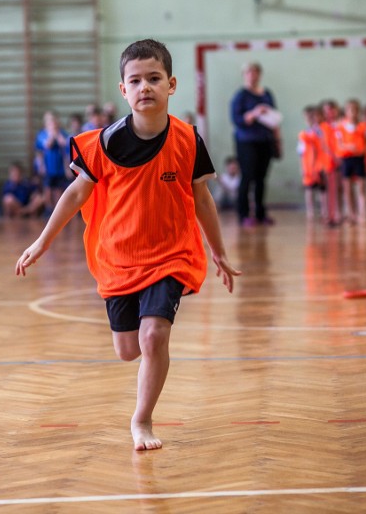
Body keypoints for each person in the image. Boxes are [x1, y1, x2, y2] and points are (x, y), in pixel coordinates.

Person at [15, 39, 240, 451]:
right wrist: (43, 240)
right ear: (123, 90)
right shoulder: (104, 143)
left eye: (154, 79)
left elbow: (203, 199)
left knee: (154, 337)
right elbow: (75, 194)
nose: (145, 88)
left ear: (171, 84)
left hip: (171, 254)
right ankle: (140, 382)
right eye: (135, 81)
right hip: (119, 257)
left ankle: (142, 420)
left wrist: (219, 250)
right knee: (127, 350)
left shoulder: (189, 140)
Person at [230, 61, 281, 227]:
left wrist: (277, 140)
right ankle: (243, 214)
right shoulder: (241, 96)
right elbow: (237, 120)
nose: (252, 75)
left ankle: (260, 213)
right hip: (246, 141)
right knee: (247, 177)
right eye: (249, 72)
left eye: (255, 72)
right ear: (244, 75)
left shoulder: (266, 94)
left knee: (261, 178)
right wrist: (254, 113)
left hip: (265, 140)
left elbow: (274, 118)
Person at [334, 99, 366, 224]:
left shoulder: (363, 126)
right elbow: (339, 144)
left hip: (359, 159)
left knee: (361, 187)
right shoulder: (340, 126)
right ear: (346, 111)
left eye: (356, 109)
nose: (353, 112)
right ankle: (351, 214)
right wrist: (349, 147)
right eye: (350, 109)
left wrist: (362, 150)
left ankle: (362, 214)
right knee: (347, 188)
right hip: (347, 159)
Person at [35, 110, 70, 211]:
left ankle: (57, 209)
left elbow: (65, 144)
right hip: (48, 167)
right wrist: (51, 135)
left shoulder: (61, 133)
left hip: (59, 167)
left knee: (59, 190)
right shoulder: (43, 134)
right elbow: (46, 145)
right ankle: (49, 209)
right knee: (48, 189)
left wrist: (57, 134)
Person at [297, 106, 326, 221]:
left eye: (313, 116)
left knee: (322, 189)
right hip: (308, 166)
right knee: (309, 189)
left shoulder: (322, 131)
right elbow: (300, 152)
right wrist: (302, 167)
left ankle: (324, 210)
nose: (311, 119)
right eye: (308, 117)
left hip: (321, 164)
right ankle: (310, 211)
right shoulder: (304, 134)